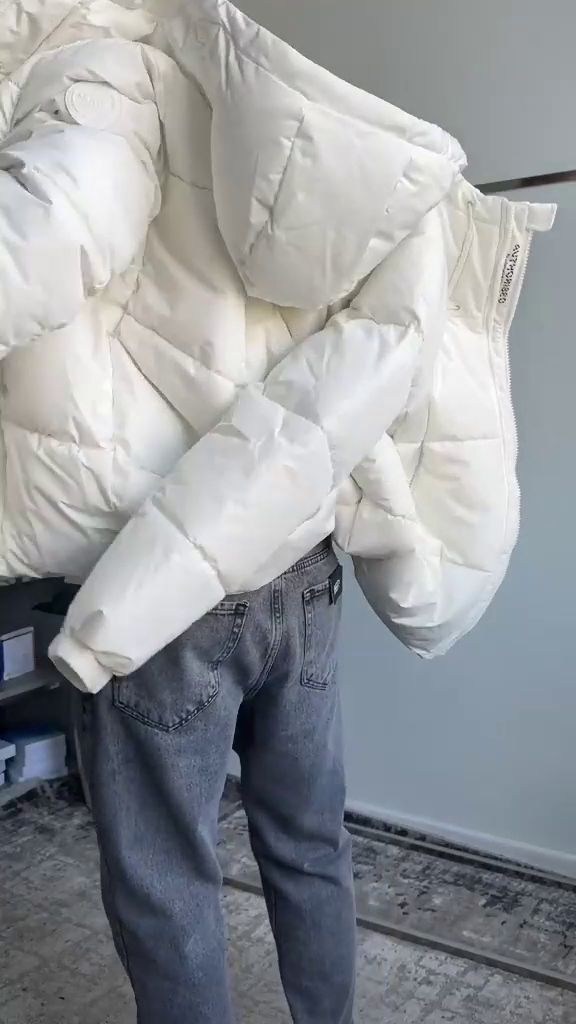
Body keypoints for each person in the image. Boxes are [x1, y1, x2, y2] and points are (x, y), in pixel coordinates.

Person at [0, 0, 554, 1020]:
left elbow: (46, 237)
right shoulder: (232, 85)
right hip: (298, 557)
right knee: (308, 841)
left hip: (158, 579)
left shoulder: (90, 75)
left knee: (167, 882)